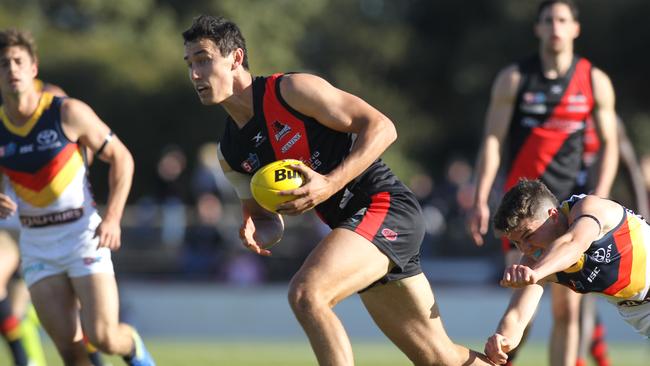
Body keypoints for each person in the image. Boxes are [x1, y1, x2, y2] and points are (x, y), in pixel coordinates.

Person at [182, 14, 492, 366]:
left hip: (385, 207)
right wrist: (260, 231)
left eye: (204, 60)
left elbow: (383, 128)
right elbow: (265, 220)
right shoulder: (230, 153)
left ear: (236, 58)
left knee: (306, 294)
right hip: (355, 230)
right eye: (190, 64)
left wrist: (329, 183)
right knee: (440, 358)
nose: (195, 74)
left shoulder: (291, 91)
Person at [469, 1, 619, 365]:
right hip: (524, 210)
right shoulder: (515, 78)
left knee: (568, 307)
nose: (555, 27)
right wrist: (479, 198)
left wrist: (598, 197)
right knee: (524, 299)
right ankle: (502, 358)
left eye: (563, 20)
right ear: (537, 28)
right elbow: (493, 139)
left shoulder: (593, 80)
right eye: (548, 20)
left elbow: (609, 144)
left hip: (566, 207)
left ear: (575, 28)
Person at [0, 28, 154, 365]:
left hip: (82, 235)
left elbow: (122, 158)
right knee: (70, 350)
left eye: (17, 61)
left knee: (103, 336)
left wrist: (113, 218)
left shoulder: (65, 112)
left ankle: (136, 351)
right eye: (3, 64)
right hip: (37, 244)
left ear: (32, 68)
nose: (11, 69)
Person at [484, 178, 650, 364]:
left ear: (553, 215)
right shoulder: (535, 262)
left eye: (528, 236)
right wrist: (503, 340)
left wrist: (537, 274)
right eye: (517, 243)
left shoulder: (589, 208)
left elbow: (574, 244)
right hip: (642, 316)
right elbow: (516, 316)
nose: (525, 249)